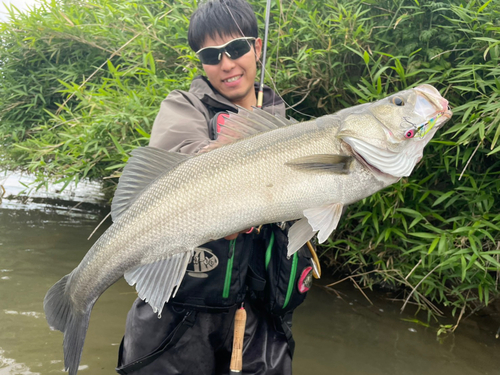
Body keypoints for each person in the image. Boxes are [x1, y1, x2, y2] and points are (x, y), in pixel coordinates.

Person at [116, 1, 315, 374]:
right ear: (201, 62)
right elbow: (184, 162)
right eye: (211, 55)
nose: (226, 64)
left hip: (259, 320)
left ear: (256, 48)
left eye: (237, 49)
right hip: (180, 318)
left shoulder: (287, 126)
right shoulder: (183, 106)